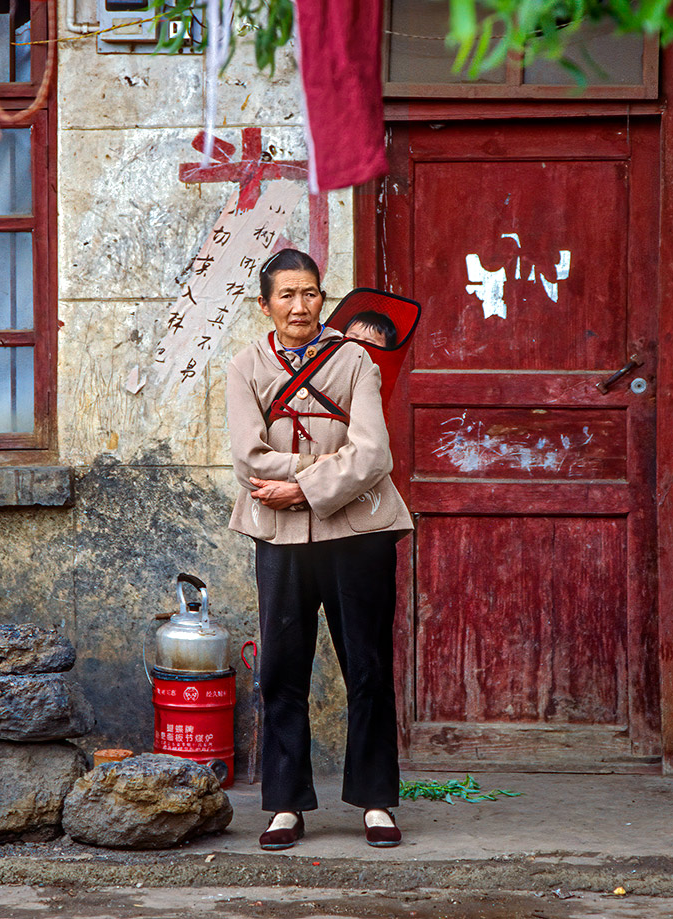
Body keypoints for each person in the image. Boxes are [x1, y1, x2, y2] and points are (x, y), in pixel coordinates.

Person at [225, 248, 413, 851]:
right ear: (265, 305)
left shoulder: (355, 360)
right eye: (287, 295)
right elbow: (247, 459)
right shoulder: (245, 366)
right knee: (282, 668)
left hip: (358, 533)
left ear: (322, 300)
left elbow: (374, 454)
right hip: (280, 537)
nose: (300, 307)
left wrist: (301, 485)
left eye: (311, 294)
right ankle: (284, 805)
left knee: (368, 665)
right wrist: (323, 470)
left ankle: (376, 800)